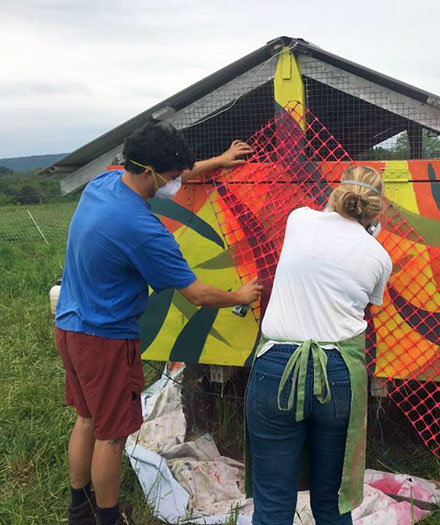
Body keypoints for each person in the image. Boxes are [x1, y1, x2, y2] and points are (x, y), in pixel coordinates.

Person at [55, 122, 263, 525]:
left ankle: (79, 510)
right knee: (111, 434)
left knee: (87, 418)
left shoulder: (105, 181)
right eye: (170, 178)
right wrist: (239, 296)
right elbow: (197, 294)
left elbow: (175, 171)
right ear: (150, 172)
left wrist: (217, 162)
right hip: (106, 339)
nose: (175, 185)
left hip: (71, 324)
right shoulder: (142, 229)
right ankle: (109, 518)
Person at [244, 166, 393, 524]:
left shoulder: (299, 219)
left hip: (275, 368)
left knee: (274, 503)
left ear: (337, 191)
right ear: (376, 212)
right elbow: (369, 304)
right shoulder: (379, 257)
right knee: (332, 501)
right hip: (339, 373)